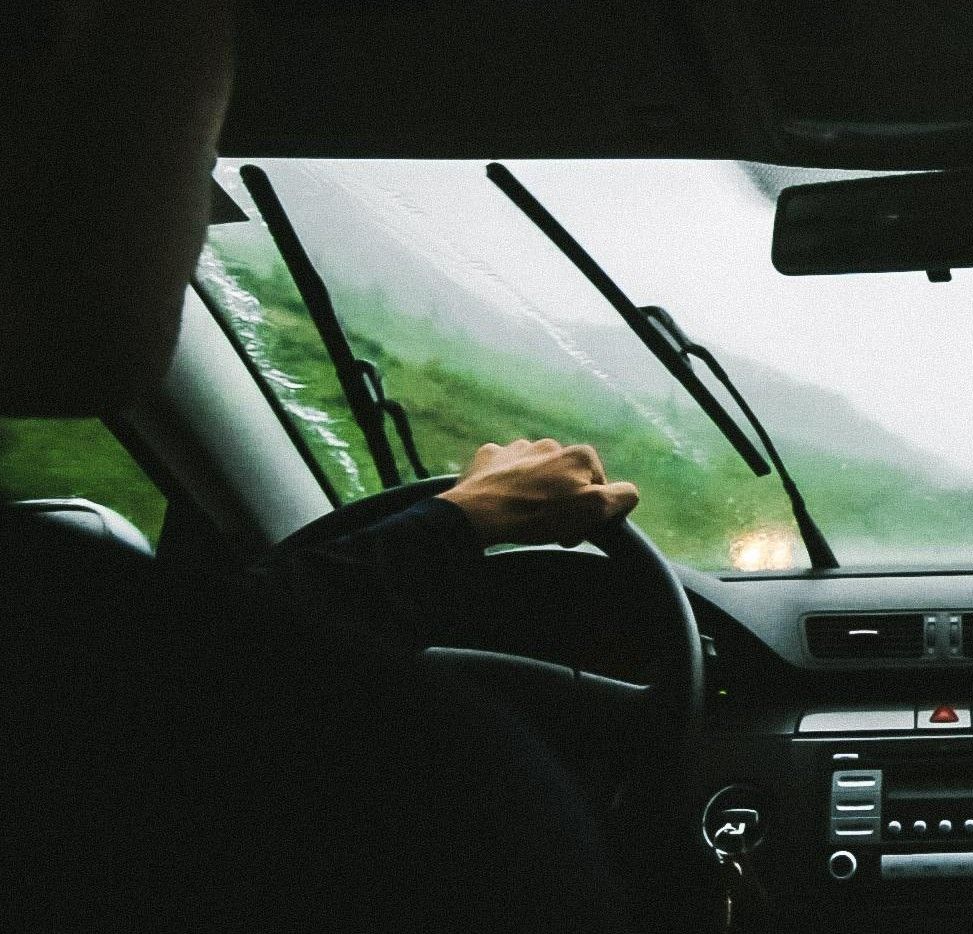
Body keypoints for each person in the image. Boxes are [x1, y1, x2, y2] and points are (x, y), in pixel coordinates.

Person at [2, 6, 644, 931]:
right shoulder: (412, 778)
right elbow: (212, 689)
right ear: (59, 52)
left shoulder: (84, 670)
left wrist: (456, 521)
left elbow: (195, 683)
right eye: (207, 156)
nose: (203, 204)